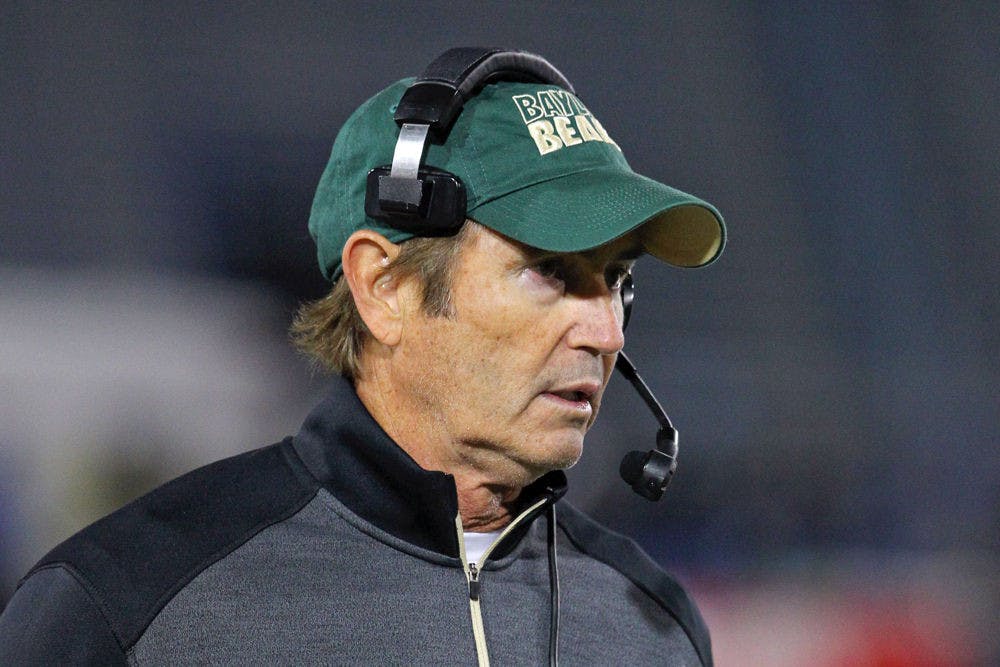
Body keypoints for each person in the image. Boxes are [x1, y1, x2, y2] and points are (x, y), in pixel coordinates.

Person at [0, 48, 724, 665]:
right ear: (384, 287)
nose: (607, 331)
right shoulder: (128, 605)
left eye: (618, 281)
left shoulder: (649, 627)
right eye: (551, 272)